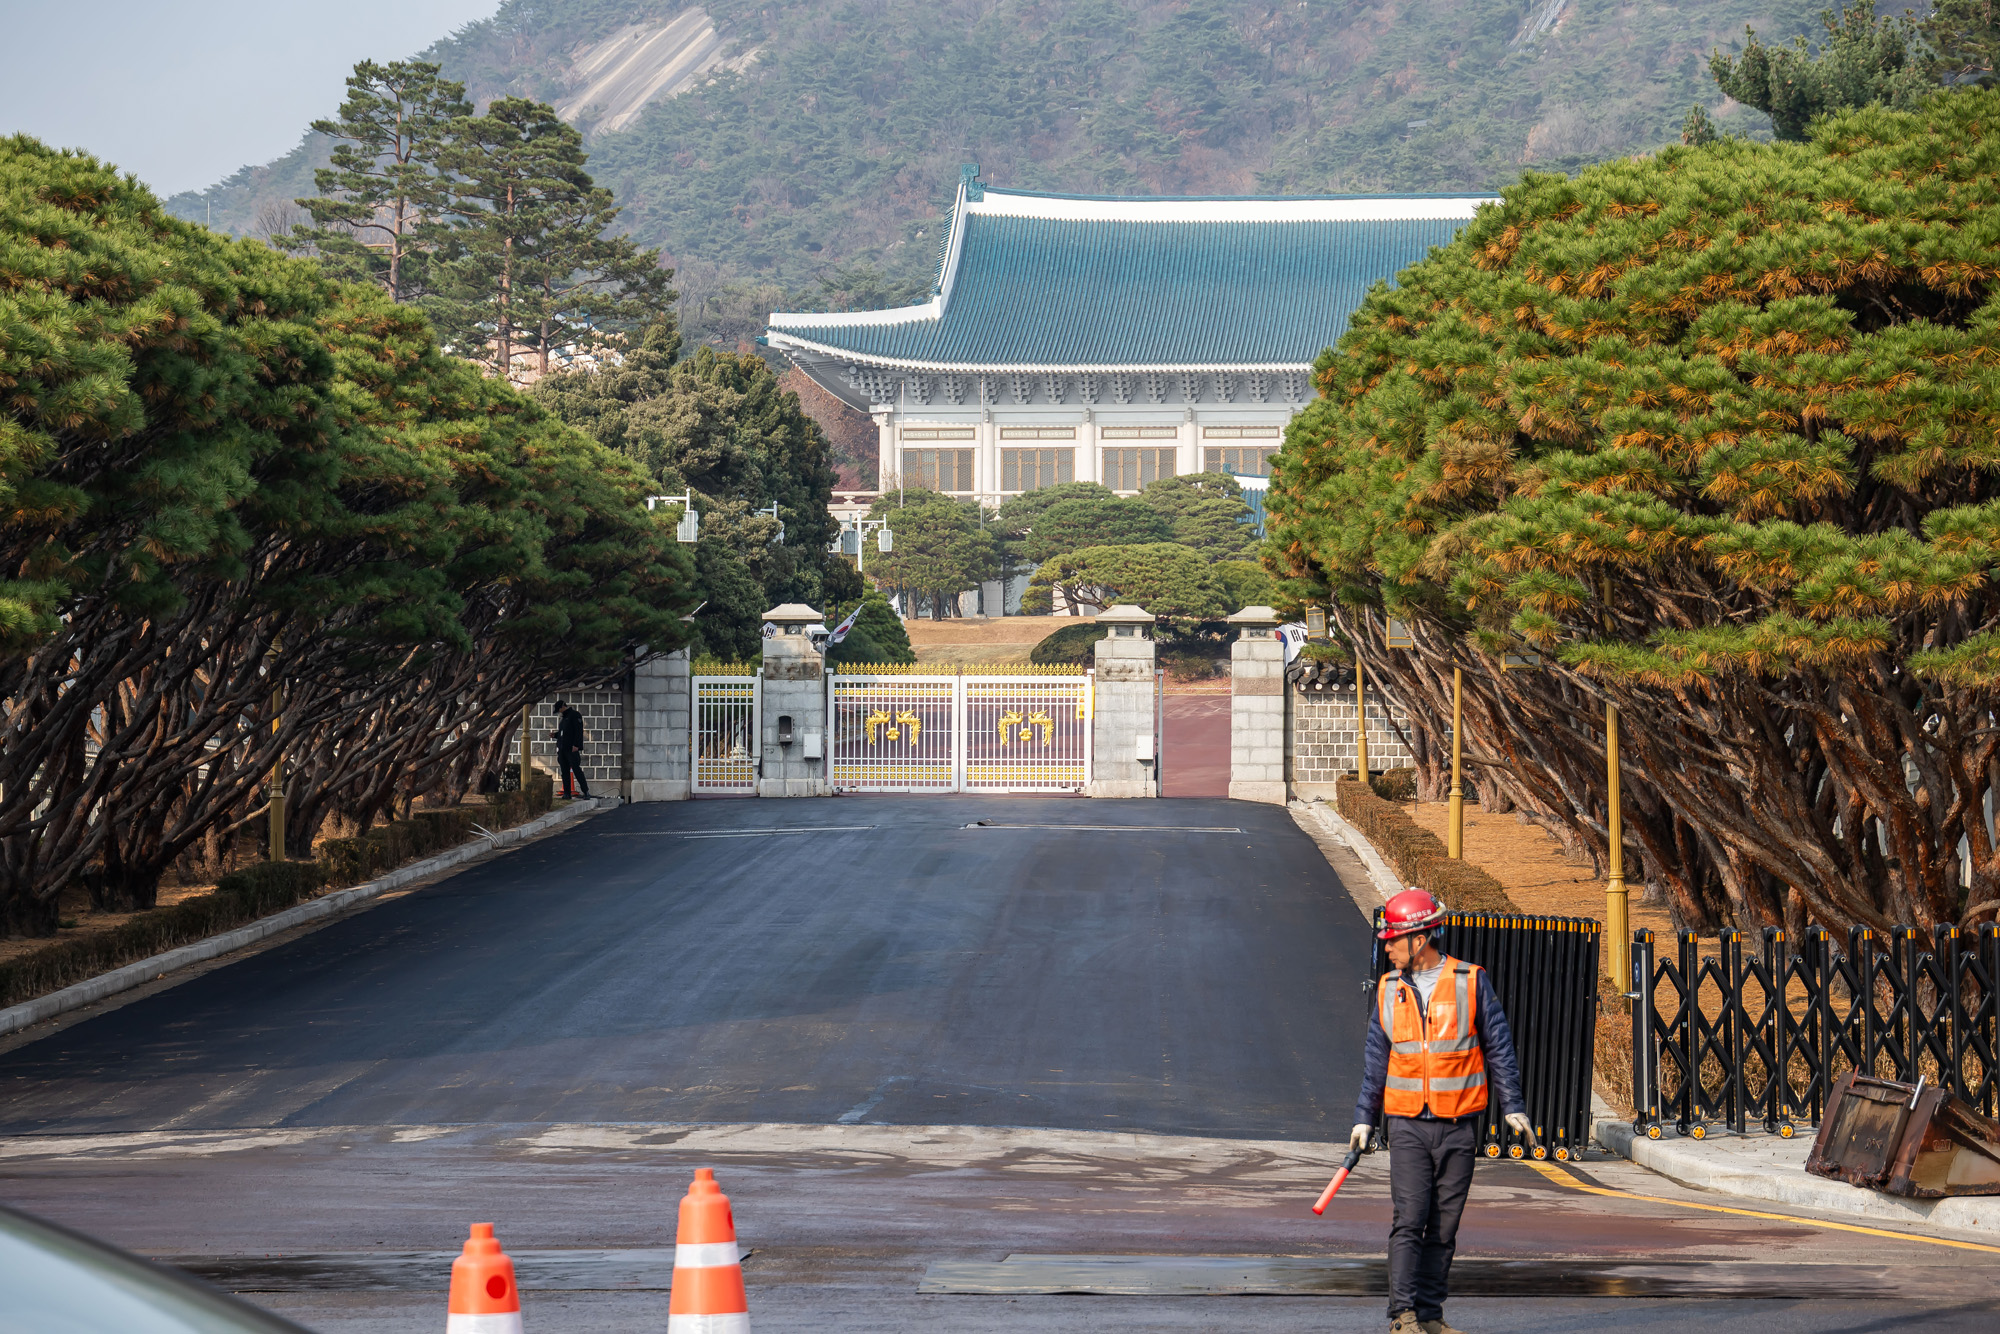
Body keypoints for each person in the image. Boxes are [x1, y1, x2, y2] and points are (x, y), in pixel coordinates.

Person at [1352, 888, 1531, 1334]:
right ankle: (1403, 1316)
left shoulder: (1471, 981)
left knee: (1444, 1227)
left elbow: (1499, 1047)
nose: (1386, 947)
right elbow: (1377, 1058)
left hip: (1458, 1126)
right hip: (1408, 1124)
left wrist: (1513, 1106)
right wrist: (1364, 1118)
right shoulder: (1387, 989)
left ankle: (1430, 1314)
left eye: (1393, 939)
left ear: (1420, 938)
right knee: (1410, 1219)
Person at [551, 699, 590, 799]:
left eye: (559, 709)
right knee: (564, 771)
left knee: (576, 770)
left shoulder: (574, 715)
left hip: (571, 749)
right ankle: (567, 793)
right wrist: (555, 735)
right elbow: (563, 733)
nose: (559, 712)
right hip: (562, 748)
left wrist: (576, 745)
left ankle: (585, 791)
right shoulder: (563, 718)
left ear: (563, 707)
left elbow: (578, 731)